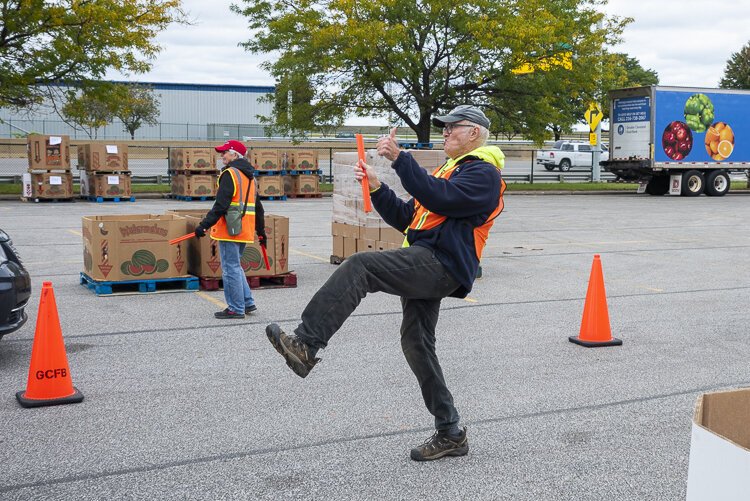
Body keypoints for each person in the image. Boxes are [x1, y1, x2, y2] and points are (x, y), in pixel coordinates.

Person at [265, 105, 506, 461]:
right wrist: (377, 188)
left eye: (452, 127)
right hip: (427, 259)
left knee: (361, 266)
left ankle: (306, 343)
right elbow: (409, 217)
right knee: (416, 343)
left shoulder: (483, 173)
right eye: (444, 127)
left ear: (473, 133)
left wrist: (399, 158)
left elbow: (441, 197)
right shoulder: (452, 170)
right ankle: (451, 432)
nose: (445, 132)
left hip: (442, 265)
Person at [195, 140, 266, 319]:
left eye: (225, 152)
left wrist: (204, 225)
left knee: (230, 268)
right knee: (236, 266)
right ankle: (247, 302)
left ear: (235, 155)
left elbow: (220, 205)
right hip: (244, 229)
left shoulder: (230, 174)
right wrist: (261, 231)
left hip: (230, 229)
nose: (222, 156)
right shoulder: (250, 176)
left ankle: (236, 308)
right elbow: (258, 207)